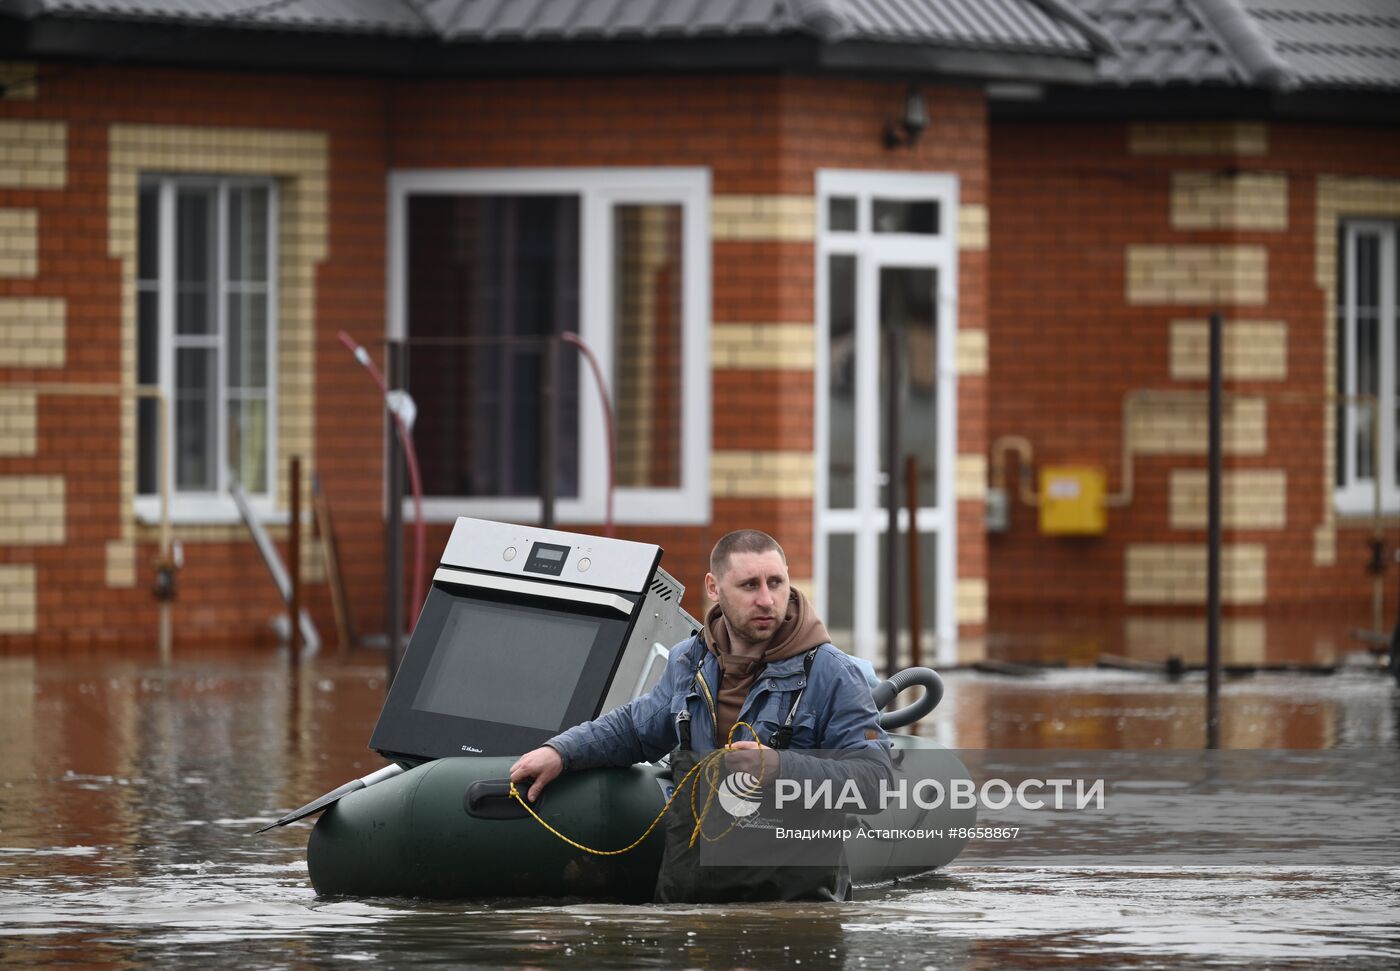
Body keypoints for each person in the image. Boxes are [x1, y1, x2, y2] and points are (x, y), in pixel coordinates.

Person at [509, 528, 892, 902]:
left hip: (793, 908)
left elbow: (876, 782)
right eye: (749, 585)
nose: (766, 599)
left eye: (776, 583)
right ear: (713, 588)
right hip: (692, 902)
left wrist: (780, 767)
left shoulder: (835, 673)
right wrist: (561, 752)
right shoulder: (688, 661)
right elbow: (633, 728)